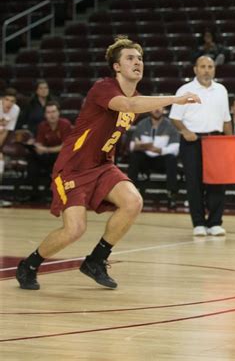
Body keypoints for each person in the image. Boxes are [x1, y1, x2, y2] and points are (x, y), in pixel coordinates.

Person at [15, 36, 200, 291]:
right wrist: (175, 99)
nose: (138, 62)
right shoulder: (104, 88)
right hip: (74, 166)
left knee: (133, 201)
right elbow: (130, 105)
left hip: (102, 165)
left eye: (140, 58)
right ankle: (30, 265)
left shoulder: (134, 95)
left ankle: (96, 260)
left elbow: (131, 108)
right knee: (75, 229)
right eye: (130, 58)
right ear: (116, 66)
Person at [170, 56, 232, 237]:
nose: (207, 70)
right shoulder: (185, 89)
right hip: (192, 142)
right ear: (195, 69)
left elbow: (226, 119)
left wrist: (230, 143)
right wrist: (185, 131)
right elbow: (175, 117)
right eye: (203, 66)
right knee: (194, 183)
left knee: (217, 182)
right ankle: (198, 223)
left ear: (214, 69)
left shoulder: (221, 90)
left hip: (216, 141)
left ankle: (215, 223)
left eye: (210, 67)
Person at [127, 108, 180, 209]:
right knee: (135, 157)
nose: (157, 110)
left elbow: (175, 148)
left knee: (171, 159)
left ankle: (171, 195)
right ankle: (129, 194)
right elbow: (132, 145)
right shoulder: (142, 124)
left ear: (164, 110)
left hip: (161, 159)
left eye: (160, 107)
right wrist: (139, 146)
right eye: (155, 107)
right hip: (145, 158)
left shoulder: (171, 125)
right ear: (150, 109)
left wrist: (159, 150)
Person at [26, 101, 72, 203]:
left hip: (61, 156)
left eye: (54, 111)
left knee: (60, 159)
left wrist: (45, 149)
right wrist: (36, 146)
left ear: (58, 113)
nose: (52, 115)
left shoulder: (65, 124)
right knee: (32, 159)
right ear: (45, 115)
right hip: (47, 156)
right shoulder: (42, 125)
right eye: (48, 112)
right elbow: (40, 143)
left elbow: (65, 147)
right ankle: (35, 193)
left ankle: (56, 193)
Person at [0, 88, 20, 206]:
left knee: (0, 162)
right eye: (7, 100)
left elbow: (5, 132)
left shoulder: (15, 110)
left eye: (12, 101)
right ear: (2, 99)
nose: (9, 103)